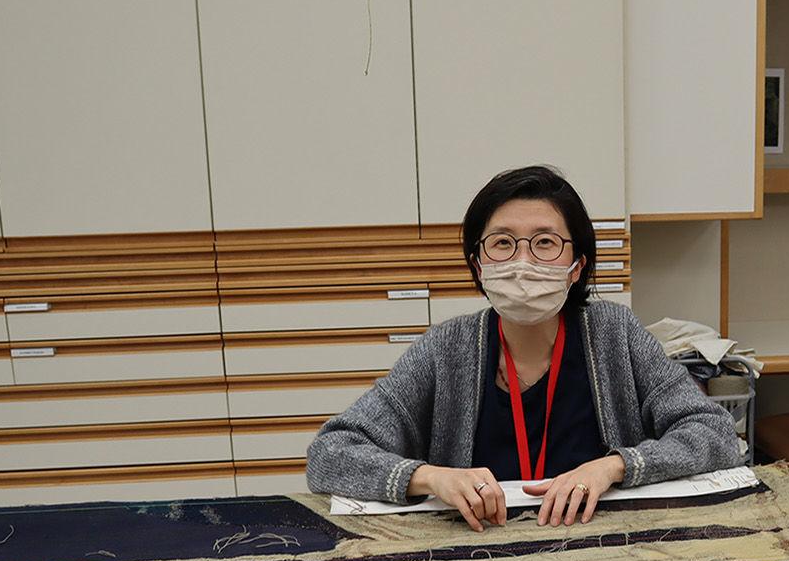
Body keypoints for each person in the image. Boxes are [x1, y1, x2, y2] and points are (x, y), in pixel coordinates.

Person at [306, 165, 740, 530]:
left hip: (603, 546)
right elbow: (330, 454)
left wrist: (614, 467)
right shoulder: (446, 348)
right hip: (478, 552)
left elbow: (713, 432)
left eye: (546, 242)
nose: (523, 262)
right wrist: (430, 477)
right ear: (478, 265)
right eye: (502, 243)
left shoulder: (615, 333)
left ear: (576, 268)